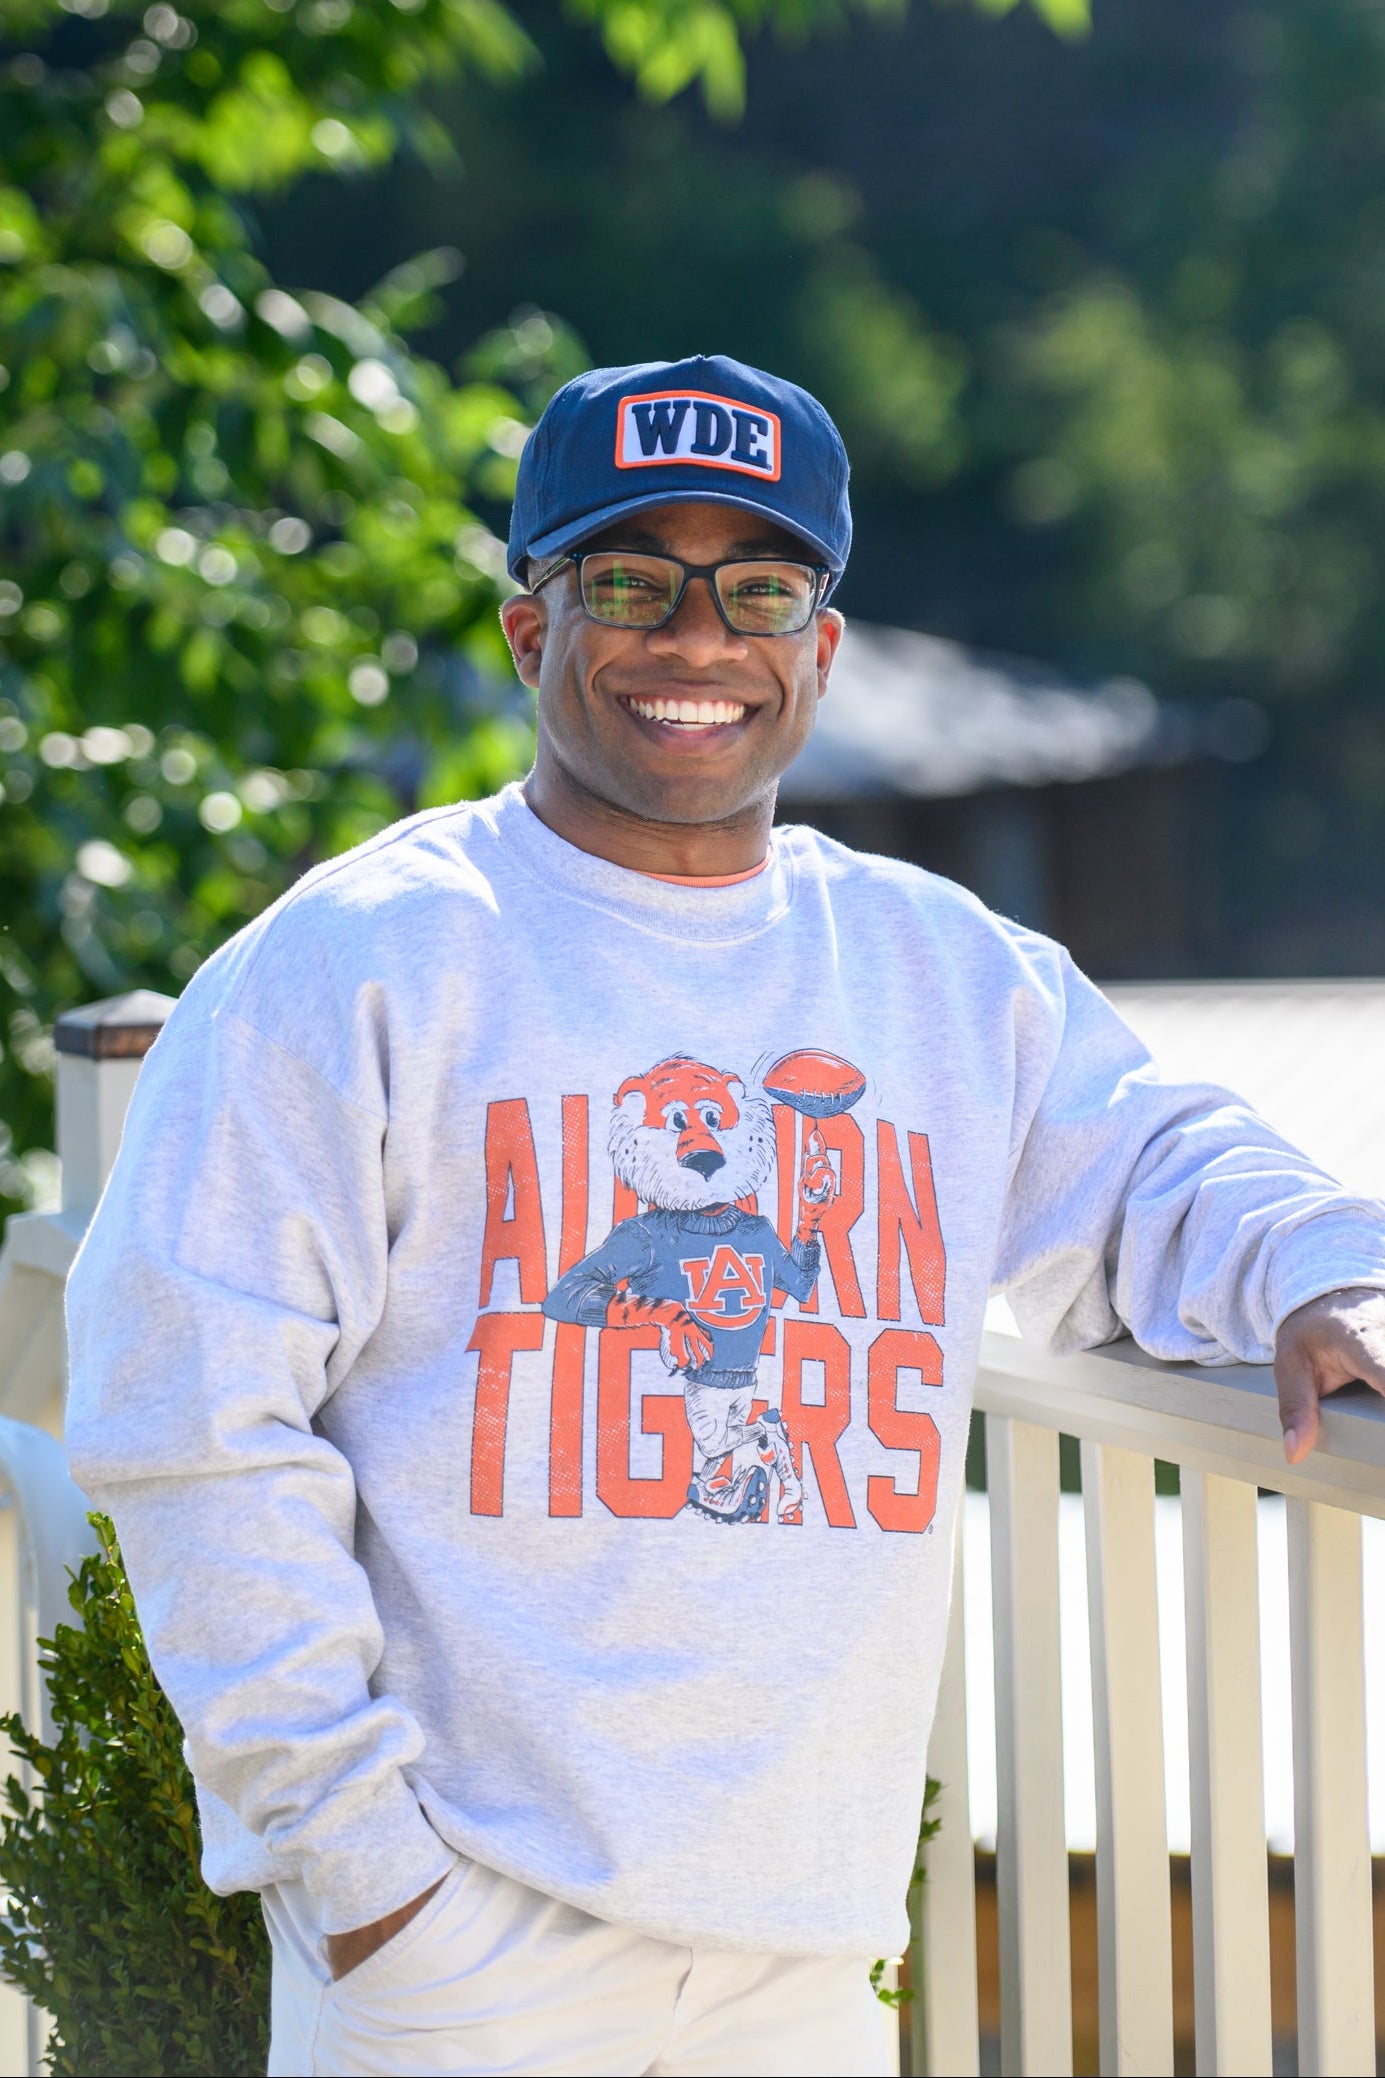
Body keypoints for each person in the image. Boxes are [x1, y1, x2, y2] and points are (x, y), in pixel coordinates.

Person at [65, 353, 1385, 2078]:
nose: (696, 639)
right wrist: (360, 1870)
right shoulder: (361, 958)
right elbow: (185, 1405)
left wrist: (1325, 1274)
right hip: (459, 1943)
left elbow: (1157, 1160)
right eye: (629, 582)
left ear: (815, 648)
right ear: (534, 630)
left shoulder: (942, 972)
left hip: (806, 1952)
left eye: (757, 587)